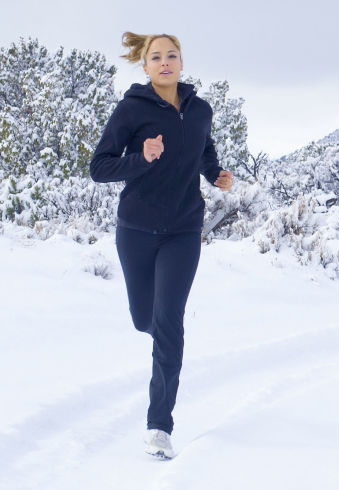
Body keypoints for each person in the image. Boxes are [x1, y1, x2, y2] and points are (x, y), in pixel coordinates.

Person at [89, 31, 234, 460]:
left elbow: (204, 153)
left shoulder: (201, 110)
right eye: (157, 57)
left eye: (172, 55)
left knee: (168, 324)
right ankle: (163, 339)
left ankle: (159, 426)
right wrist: (142, 158)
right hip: (135, 229)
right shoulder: (132, 109)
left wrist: (216, 175)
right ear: (146, 66)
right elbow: (99, 167)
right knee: (143, 319)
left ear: (181, 62)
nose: (165, 62)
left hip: (184, 231)